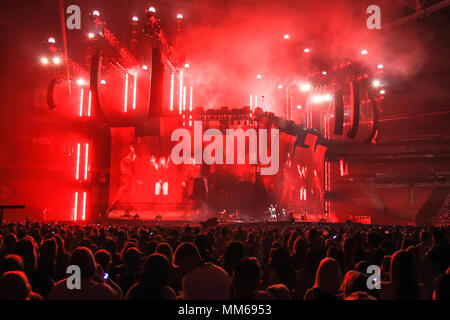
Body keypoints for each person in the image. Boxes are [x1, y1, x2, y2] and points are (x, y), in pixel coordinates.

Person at [48, 247, 122, 300]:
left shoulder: (58, 288)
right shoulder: (102, 289)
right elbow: (119, 294)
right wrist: (104, 276)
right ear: (93, 266)